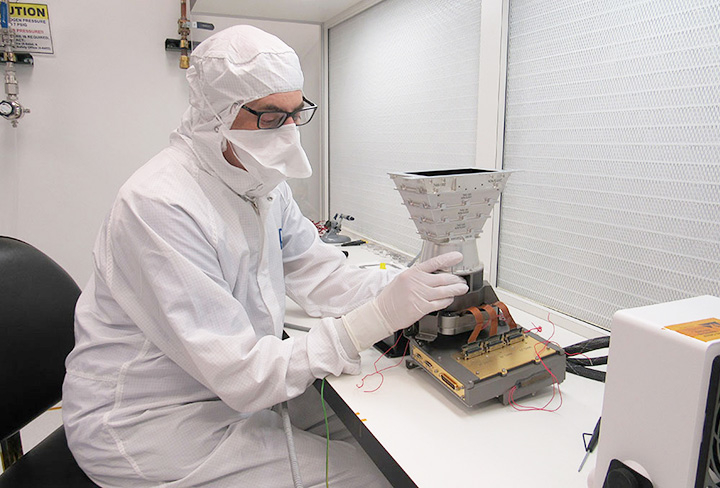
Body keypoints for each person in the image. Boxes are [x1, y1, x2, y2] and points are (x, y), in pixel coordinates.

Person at [62, 25, 468, 488]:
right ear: (220, 113)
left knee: (398, 441)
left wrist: (406, 288)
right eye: (272, 117)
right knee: (370, 478)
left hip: (231, 391)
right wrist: (372, 320)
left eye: (297, 113)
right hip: (153, 420)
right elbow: (240, 372)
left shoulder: (262, 183)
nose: (290, 132)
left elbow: (321, 277)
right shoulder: (161, 205)